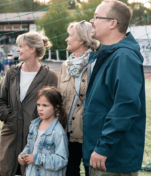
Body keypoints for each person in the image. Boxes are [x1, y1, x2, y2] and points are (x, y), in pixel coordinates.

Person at [83, 0, 146, 175]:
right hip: (100, 155)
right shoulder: (110, 54)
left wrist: (104, 146)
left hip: (112, 160)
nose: (92, 21)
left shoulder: (123, 57)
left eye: (96, 17)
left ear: (113, 23)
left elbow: (126, 106)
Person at [0, 31, 58, 176]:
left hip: (38, 139)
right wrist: (8, 116)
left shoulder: (50, 76)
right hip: (10, 133)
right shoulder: (11, 73)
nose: (17, 50)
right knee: (5, 170)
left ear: (32, 49)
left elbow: (56, 107)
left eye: (20, 46)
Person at [58, 20, 99, 176]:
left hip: (89, 132)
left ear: (82, 39)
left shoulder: (98, 64)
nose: (67, 39)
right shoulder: (65, 65)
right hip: (66, 132)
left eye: (70, 36)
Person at [18, 86, 68, 176]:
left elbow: (62, 160)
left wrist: (36, 159)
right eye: (38, 105)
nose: (40, 108)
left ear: (56, 107)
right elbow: (29, 146)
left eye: (45, 105)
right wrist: (23, 155)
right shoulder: (34, 126)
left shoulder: (58, 132)